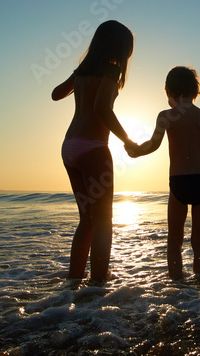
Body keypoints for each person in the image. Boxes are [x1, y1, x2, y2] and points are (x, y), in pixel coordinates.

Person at [51, 20, 139, 282]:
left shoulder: (81, 71)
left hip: (70, 147)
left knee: (86, 220)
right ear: (121, 49)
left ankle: (74, 279)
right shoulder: (111, 71)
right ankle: (98, 283)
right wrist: (127, 140)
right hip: (93, 149)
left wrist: (77, 80)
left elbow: (56, 94)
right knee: (103, 221)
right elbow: (102, 109)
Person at [129, 66, 200, 279]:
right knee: (199, 238)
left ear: (169, 91)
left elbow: (153, 144)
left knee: (175, 239)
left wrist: (135, 152)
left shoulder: (166, 116)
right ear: (194, 90)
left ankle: (178, 286)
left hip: (179, 182)